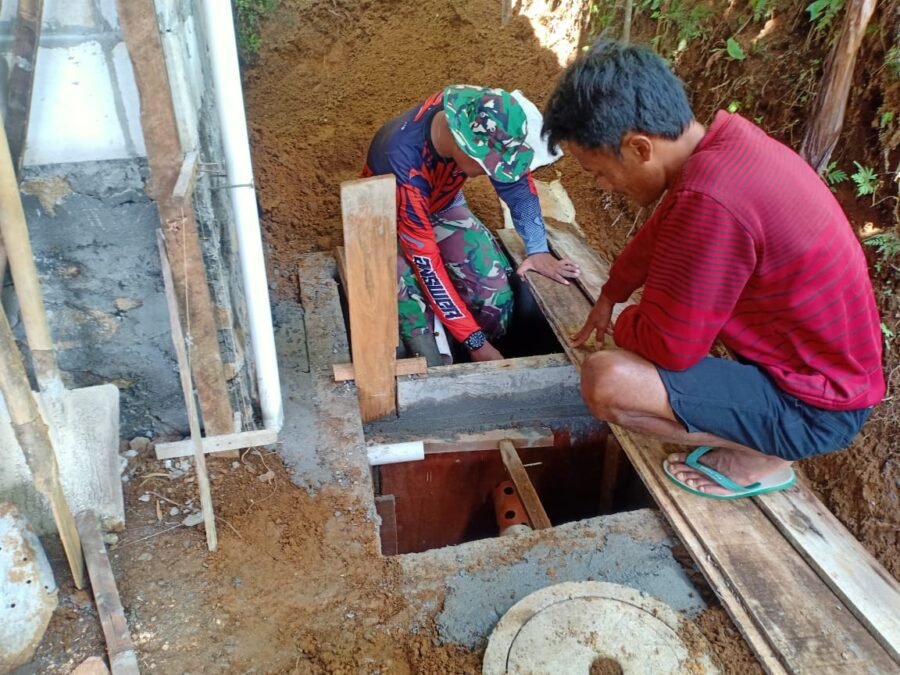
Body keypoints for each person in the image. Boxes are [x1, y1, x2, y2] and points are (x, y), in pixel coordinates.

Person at [541, 40, 885, 499]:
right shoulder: (725, 149)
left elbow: (671, 348)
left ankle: (763, 453)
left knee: (607, 381)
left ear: (639, 147)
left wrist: (625, 323)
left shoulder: (710, 201)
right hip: (826, 379)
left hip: (816, 409)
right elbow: (656, 235)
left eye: (597, 172)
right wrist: (610, 294)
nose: (604, 185)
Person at [362, 85, 580, 365]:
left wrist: (537, 248)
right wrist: (474, 341)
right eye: (486, 162)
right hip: (384, 218)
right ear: (460, 139)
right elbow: (426, 263)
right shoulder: (402, 162)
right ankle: (450, 354)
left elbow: (515, 185)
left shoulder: (475, 111)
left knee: (494, 298)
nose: (491, 172)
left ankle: (474, 341)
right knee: (419, 332)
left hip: (441, 203)